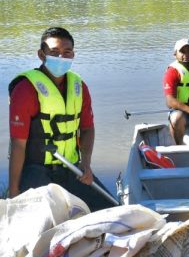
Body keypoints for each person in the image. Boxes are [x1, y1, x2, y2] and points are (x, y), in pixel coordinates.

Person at [7, 27, 115, 211]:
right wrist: (13, 190)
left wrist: (86, 164)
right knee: (43, 220)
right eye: (54, 52)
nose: (61, 57)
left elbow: (87, 129)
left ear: (73, 55)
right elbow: (18, 144)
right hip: (36, 170)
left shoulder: (79, 87)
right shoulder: (25, 90)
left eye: (67, 52)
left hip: (71, 168)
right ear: (42, 54)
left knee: (111, 210)